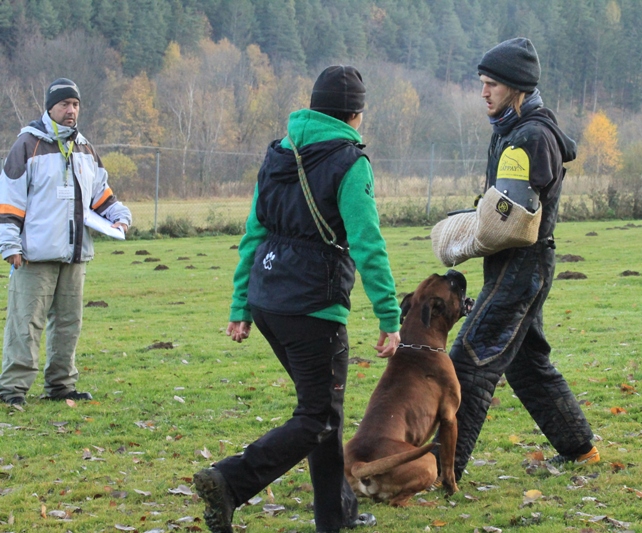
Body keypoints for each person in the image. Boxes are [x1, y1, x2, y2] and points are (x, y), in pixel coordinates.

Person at [193, 65, 402, 533]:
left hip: (268, 300)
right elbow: (367, 243)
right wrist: (389, 315)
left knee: (323, 409)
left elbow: (254, 233)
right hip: (313, 307)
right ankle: (230, 481)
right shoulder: (350, 162)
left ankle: (336, 516)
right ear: (355, 114)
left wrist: (241, 305)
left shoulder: (278, 153)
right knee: (318, 416)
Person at [439, 38, 599, 481]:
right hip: (516, 265)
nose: (483, 92)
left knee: (469, 360)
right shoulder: (511, 131)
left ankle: (440, 470)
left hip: (521, 266)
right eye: (482, 83)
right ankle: (580, 450)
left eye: (491, 84)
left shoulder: (532, 137)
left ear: (516, 87)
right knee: (528, 367)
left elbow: (510, 217)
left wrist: (467, 233)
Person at [0, 78, 131, 406]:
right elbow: (9, 201)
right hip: (34, 256)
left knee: (68, 325)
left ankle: (60, 386)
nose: (71, 110)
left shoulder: (85, 149)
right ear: (50, 108)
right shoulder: (27, 145)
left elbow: (102, 196)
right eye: (64, 104)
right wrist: (10, 245)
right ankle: (12, 390)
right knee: (25, 324)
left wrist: (120, 216)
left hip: (75, 256)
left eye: (75, 104)